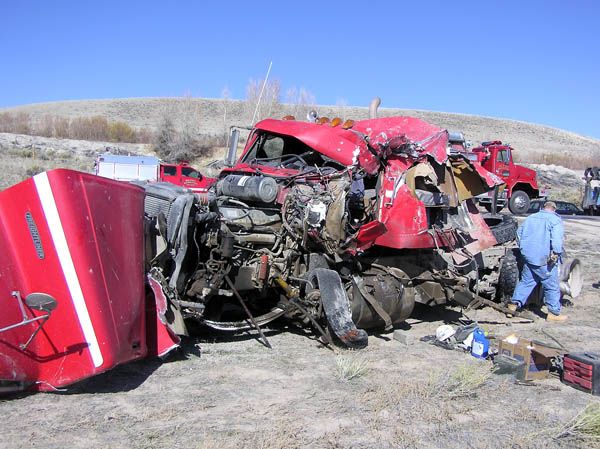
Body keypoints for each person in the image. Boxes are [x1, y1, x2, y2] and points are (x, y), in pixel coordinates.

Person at [508, 201, 567, 321]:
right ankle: (553, 313)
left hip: (529, 257)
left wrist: (524, 249)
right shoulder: (555, 220)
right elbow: (556, 239)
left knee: (526, 281)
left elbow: (519, 234)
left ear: (543, 207)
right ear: (554, 209)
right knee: (551, 285)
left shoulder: (530, 218)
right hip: (544, 259)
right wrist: (556, 253)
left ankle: (512, 306)